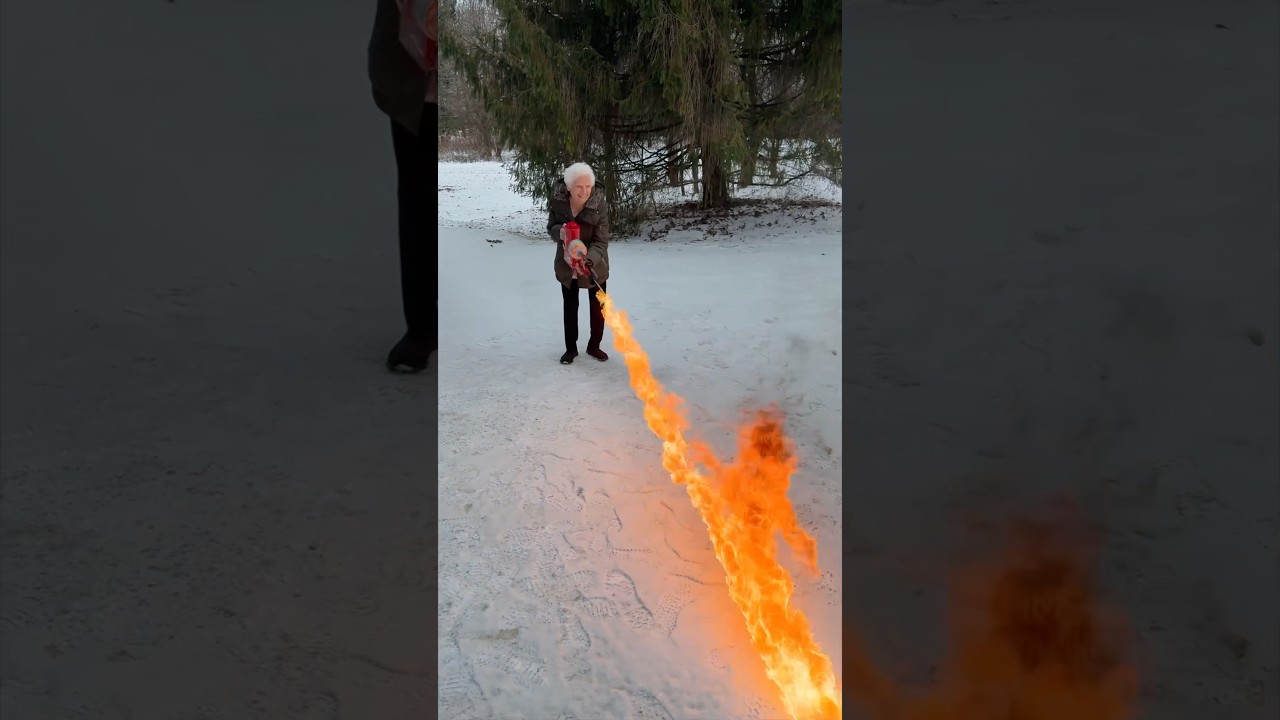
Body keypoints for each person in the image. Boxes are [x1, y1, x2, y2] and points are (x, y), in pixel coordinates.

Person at [368, 0, 437, 373]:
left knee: (433, 208)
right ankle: (422, 329)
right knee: (417, 206)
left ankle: (438, 323)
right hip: (415, 91)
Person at [547, 163, 612, 365]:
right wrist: (561, 231)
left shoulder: (599, 204)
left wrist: (588, 259)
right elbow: (551, 228)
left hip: (594, 264)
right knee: (570, 306)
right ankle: (571, 349)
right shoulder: (558, 203)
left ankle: (594, 345)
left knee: (598, 307)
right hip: (567, 266)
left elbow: (601, 241)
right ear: (568, 187)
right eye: (579, 187)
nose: (584, 191)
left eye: (588, 186)